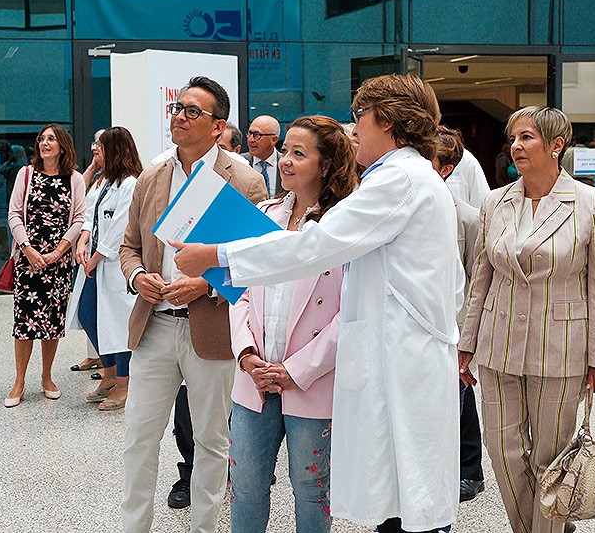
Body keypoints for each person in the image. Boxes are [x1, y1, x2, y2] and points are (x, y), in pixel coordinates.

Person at [172, 74, 463, 533]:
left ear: (385, 121)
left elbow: (315, 245)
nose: (354, 130)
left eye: (358, 117)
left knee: (409, 503)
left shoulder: (398, 181)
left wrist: (217, 255)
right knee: (405, 497)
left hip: (402, 366)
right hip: (403, 360)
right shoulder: (412, 179)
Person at [458, 106, 595, 533]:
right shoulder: (495, 201)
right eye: (513, 138)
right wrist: (466, 343)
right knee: (504, 452)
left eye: (526, 137)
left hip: (562, 348)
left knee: (550, 458)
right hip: (498, 343)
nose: (515, 145)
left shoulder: (593, 203)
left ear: (556, 145)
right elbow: (481, 279)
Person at [118, 75, 267, 533]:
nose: (179, 116)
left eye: (191, 111)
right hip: (155, 325)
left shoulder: (244, 180)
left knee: (211, 441)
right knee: (140, 438)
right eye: (177, 108)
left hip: (211, 328)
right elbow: (129, 247)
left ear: (218, 126)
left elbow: (259, 262)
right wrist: (138, 275)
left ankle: (205, 526)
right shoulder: (152, 176)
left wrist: (203, 286)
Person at [229, 115, 357, 533]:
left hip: (314, 380)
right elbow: (241, 292)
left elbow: (351, 313)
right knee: (245, 484)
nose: (285, 161)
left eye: (298, 154)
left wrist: (295, 371)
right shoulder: (262, 215)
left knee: (312, 488)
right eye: (285, 150)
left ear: (326, 164)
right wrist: (247, 355)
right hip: (255, 377)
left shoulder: (345, 229)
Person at [3, 124, 85, 407]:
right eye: (41, 139)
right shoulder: (25, 174)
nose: (44, 143)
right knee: (24, 323)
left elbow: (78, 219)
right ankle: (19, 381)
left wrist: (59, 251)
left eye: (51, 139)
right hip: (28, 261)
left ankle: (47, 377)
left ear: (63, 146)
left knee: (52, 323)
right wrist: (27, 249)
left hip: (58, 263)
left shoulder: (74, 179)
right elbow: (14, 214)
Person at [66, 126, 143, 411]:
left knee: (117, 324)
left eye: (98, 145)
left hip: (112, 263)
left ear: (115, 149)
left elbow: (120, 229)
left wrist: (96, 257)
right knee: (89, 315)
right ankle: (109, 373)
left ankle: (124, 382)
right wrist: (83, 239)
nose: (94, 148)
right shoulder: (104, 181)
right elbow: (89, 213)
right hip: (94, 260)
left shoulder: (131, 184)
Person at [432, 126, 485, 503]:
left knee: (461, 396)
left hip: (456, 324)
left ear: (447, 168)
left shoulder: (466, 217)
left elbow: (477, 279)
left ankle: (470, 469)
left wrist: (469, 336)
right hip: (425, 321)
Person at [70, 129, 107, 374]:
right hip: (88, 252)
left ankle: (110, 364)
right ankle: (97, 356)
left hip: (101, 257)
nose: (93, 148)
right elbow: (76, 195)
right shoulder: (98, 178)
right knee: (88, 310)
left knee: (94, 312)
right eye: (93, 142)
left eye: (99, 144)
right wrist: (93, 167)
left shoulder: (122, 182)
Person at [242, 115, 282, 197]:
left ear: (273, 140)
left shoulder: (286, 164)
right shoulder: (240, 162)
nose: (250, 140)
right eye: (249, 134)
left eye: (257, 135)